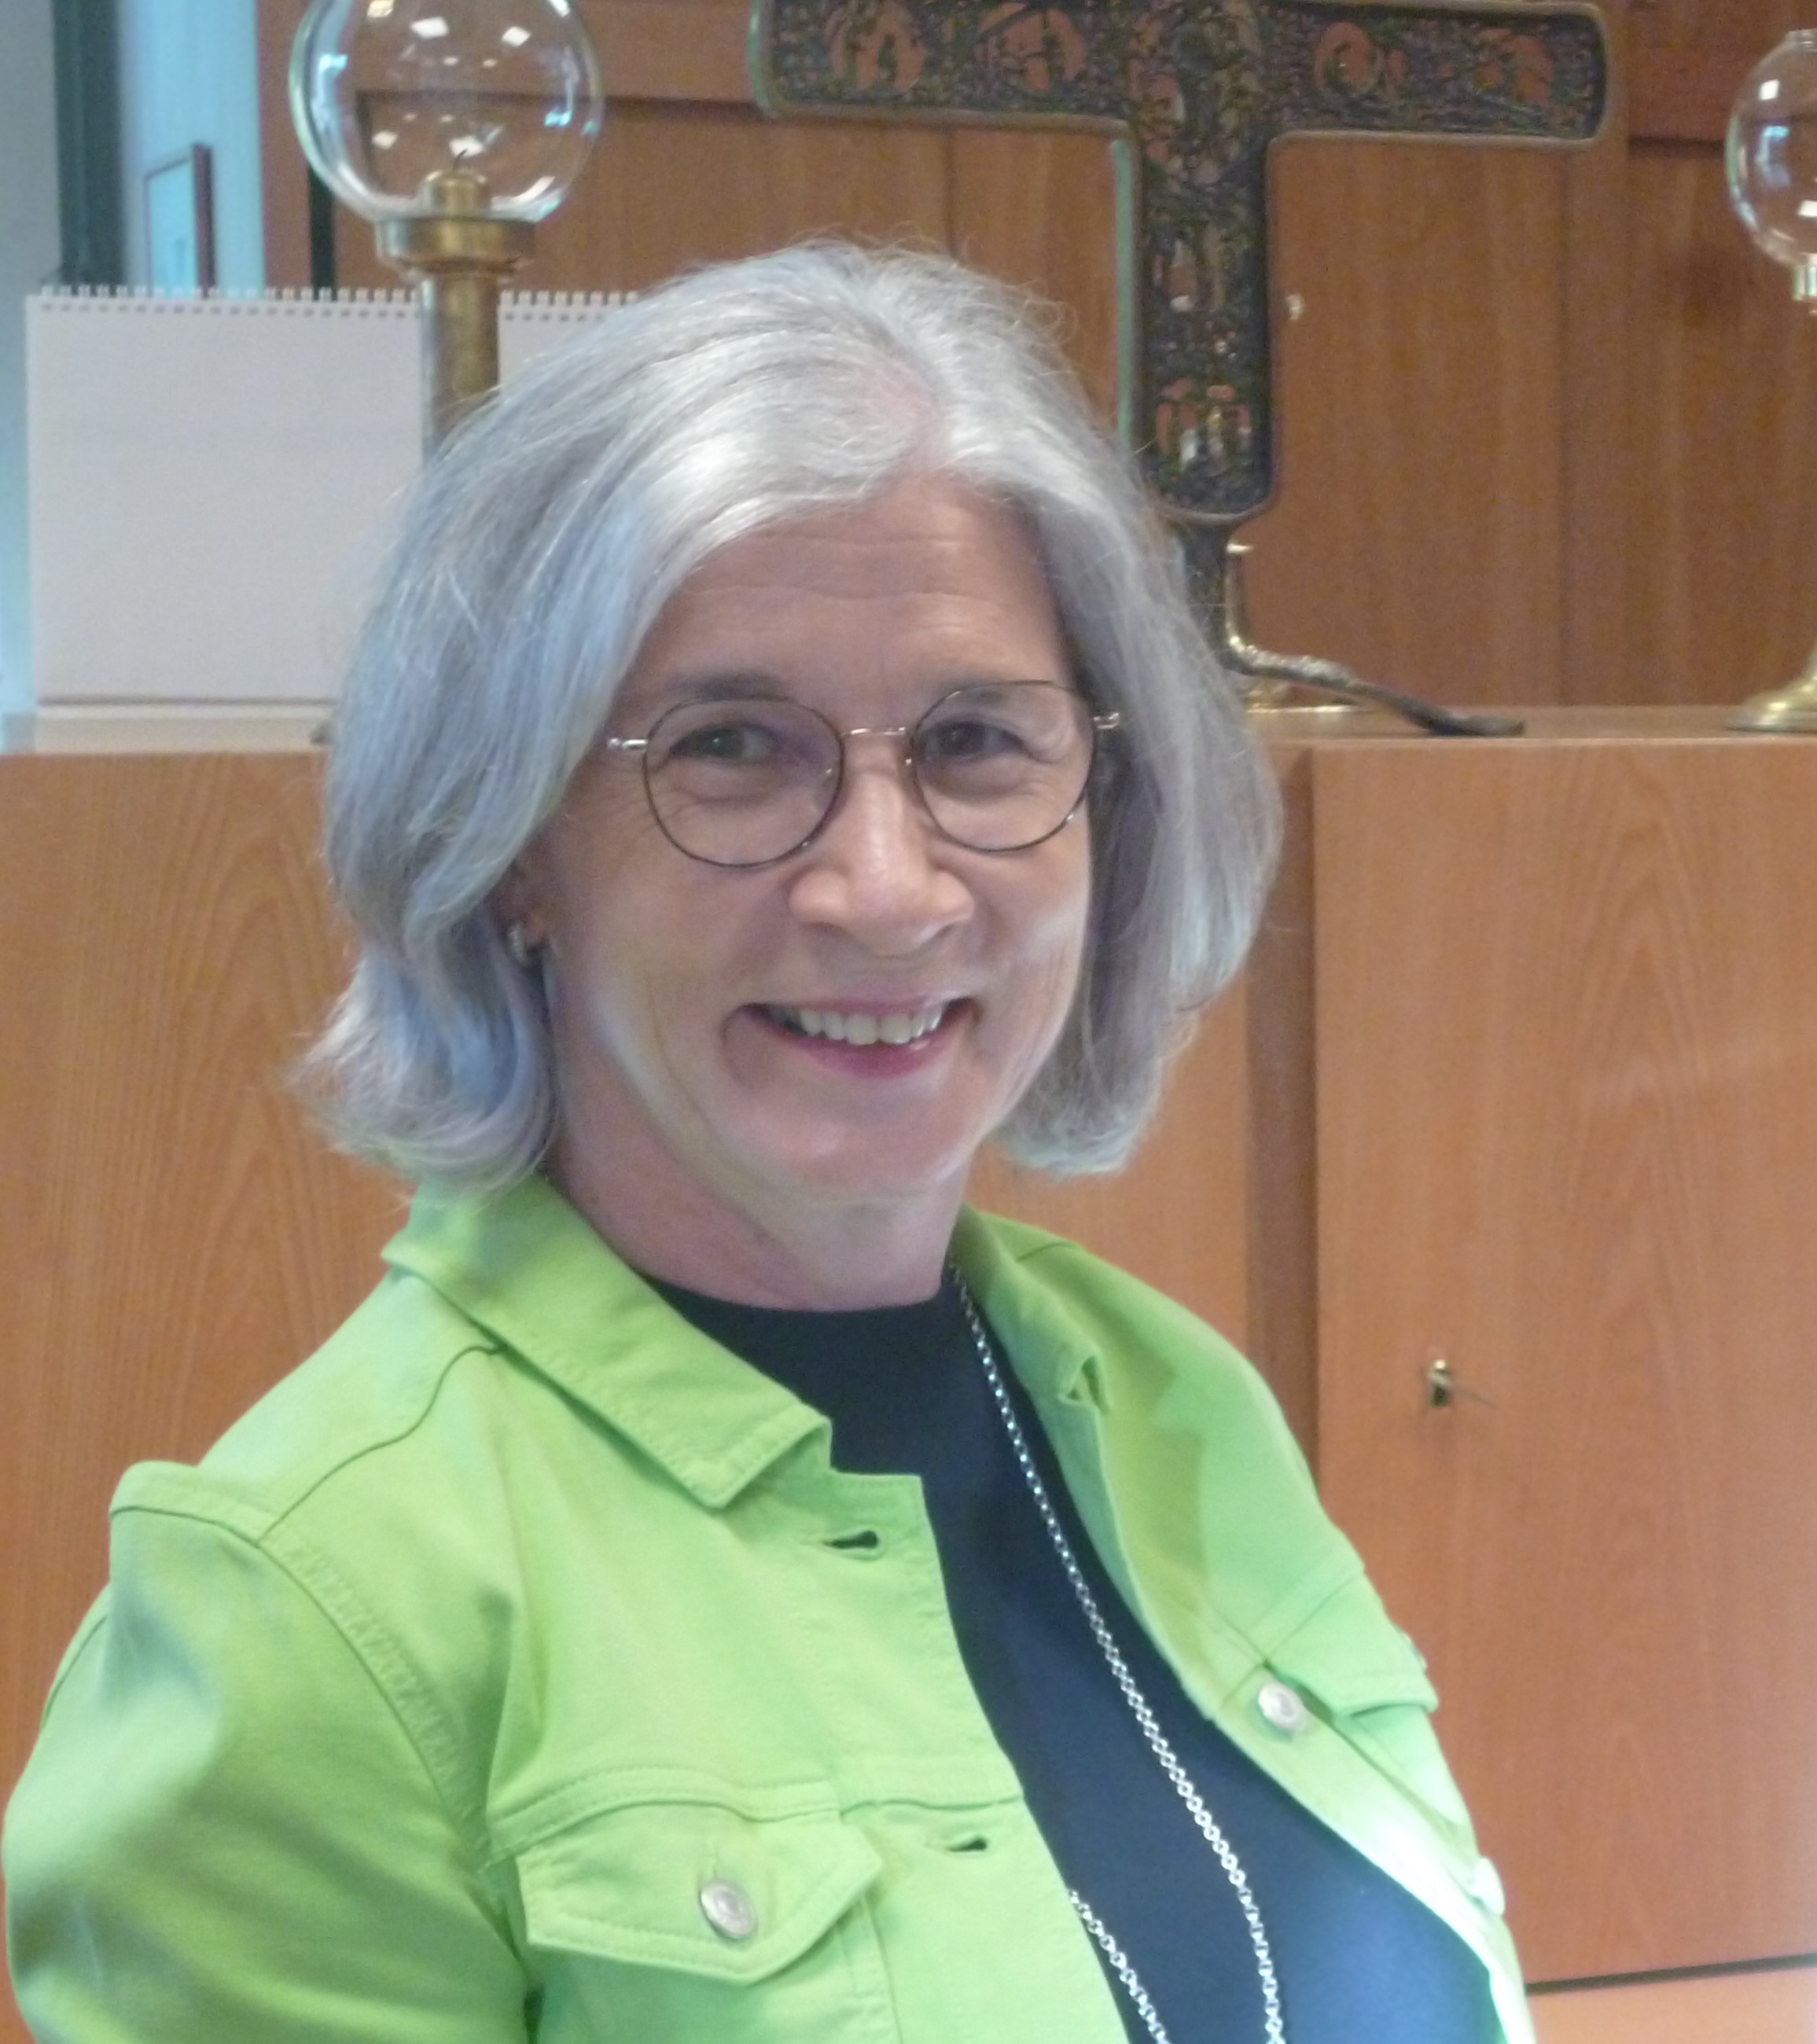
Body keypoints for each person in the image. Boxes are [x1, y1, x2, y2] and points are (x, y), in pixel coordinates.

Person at [3, 244, 1525, 2044]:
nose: (885, 889)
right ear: (513, 846)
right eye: (731, 746)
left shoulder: (1177, 1405)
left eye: (975, 740)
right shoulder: (307, 1606)